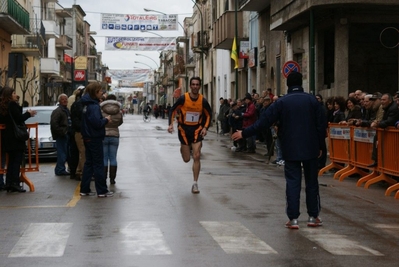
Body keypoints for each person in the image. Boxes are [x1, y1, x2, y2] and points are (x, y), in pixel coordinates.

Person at [232, 72, 327, 229]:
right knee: (311, 182)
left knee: (293, 182)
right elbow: (321, 126)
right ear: (301, 83)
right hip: (311, 148)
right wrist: (320, 147)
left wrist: (244, 132)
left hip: (290, 148)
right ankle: (313, 216)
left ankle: (293, 219)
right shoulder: (312, 101)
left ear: (288, 84)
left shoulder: (281, 102)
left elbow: (263, 122)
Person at [167, 77, 212, 194]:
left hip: (197, 129)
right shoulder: (183, 98)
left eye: (197, 84)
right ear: (190, 86)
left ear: (200, 86)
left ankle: (195, 183)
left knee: (197, 156)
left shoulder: (203, 100)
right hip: (184, 129)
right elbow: (172, 110)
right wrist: (170, 124)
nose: (195, 86)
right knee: (187, 159)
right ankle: (184, 148)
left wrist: (205, 128)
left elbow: (209, 115)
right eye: (193, 84)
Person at [0, 87, 36, 192]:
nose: (16, 95)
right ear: (9, 95)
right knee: (16, 161)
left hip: (8, 137)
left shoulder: (4, 106)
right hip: (15, 137)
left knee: (11, 161)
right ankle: (14, 183)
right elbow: (19, 118)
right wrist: (29, 114)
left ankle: (9, 182)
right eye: (14, 93)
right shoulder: (12, 105)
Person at [80, 82, 113, 197]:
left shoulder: (86, 105)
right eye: (100, 91)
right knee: (98, 164)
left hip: (87, 136)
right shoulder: (93, 106)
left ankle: (84, 189)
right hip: (94, 137)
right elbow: (96, 123)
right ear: (95, 93)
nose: (102, 93)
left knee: (89, 163)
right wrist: (106, 120)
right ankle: (102, 190)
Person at [101, 94, 123, 185]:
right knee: (113, 158)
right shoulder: (119, 111)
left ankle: (104, 177)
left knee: (104, 157)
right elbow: (120, 122)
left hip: (103, 135)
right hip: (115, 135)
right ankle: (112, 179)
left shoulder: (101, 110)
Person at [50, 94, 71, 176]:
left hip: (66, 134)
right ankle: (60, 170)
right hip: (62, 135)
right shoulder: (58, 111)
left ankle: (61, 169)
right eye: (63, 99)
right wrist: (62, 132)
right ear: (59, 101)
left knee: (65, 153)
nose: (65, 101)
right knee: (62, 153)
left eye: (66, 99)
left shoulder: (66, 110)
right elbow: (54, 124)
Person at [70, 87, 86, 180]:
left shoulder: (78, 104)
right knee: (82, 152)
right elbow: (77, 118)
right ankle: (80, 172)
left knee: (81, 152)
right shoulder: (79, 105)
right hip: (80, 131)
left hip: (79, 130)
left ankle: (79, 171)